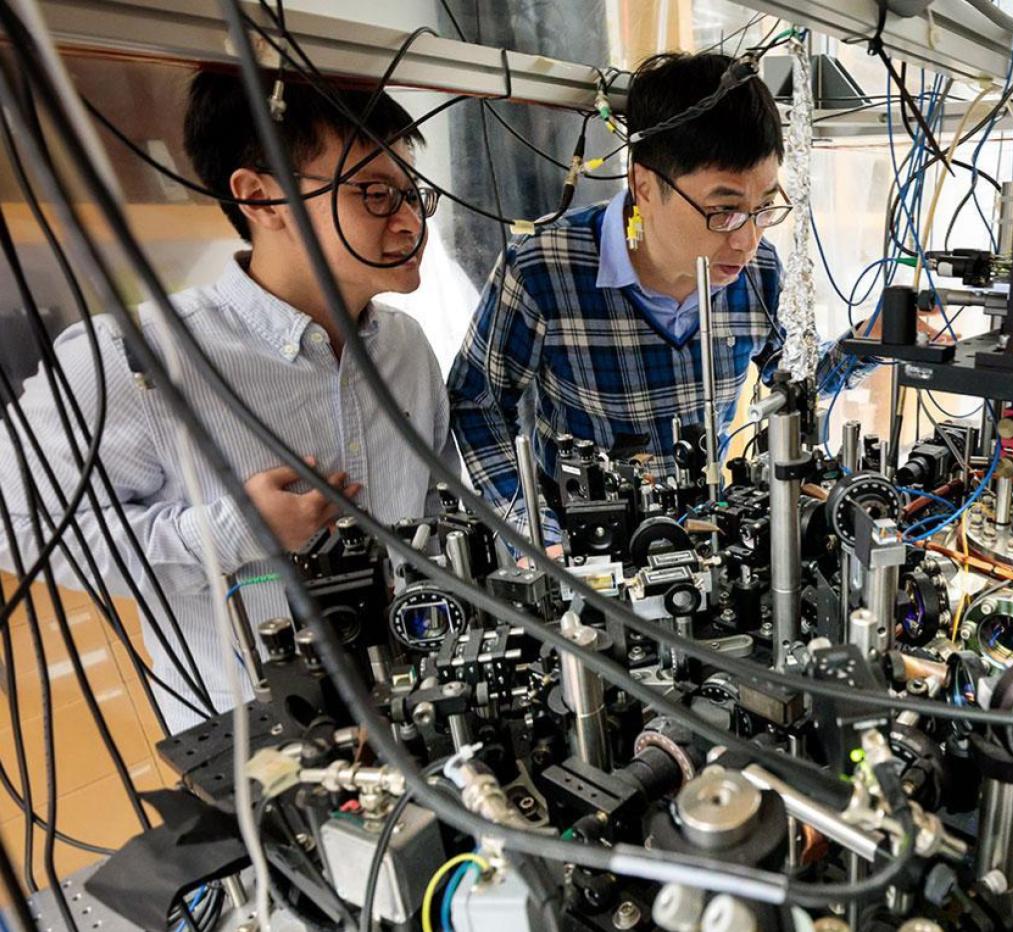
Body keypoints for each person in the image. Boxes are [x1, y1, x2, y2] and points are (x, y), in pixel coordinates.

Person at [0, 70, 455, 731]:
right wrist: (235, 532)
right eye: (377, 194)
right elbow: (18, 528)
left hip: (419, 700)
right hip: (251, 736)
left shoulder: (406, 347)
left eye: (416, 194)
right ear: (263, 197)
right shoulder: (138, 357)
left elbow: (436, 507)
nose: (411, 220)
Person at [448, 51, 873, 538]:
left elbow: (796, 381)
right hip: (587, 543)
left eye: (764, 208)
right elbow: (476, 401)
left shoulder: (758, 271)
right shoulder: (544, 270)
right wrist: (533, 529)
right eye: (725, 210)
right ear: (644, 186)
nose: (746, 239)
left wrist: (869, 342)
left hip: (706, 536)